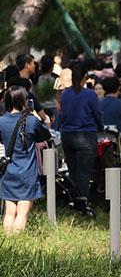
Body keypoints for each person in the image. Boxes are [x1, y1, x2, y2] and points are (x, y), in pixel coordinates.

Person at [0, 88, 51, 233]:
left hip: (8, 171)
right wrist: (34, 114)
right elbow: (45, 135)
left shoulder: (1, 121)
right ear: (24, 101)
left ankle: (8, 244)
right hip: (27, 172)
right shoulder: (32, 121)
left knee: (9, 212)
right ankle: (18, 242)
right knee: (22, 212)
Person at [57, 65, 103, 213]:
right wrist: (100, 128)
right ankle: (82, 202)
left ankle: (74, 200)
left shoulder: (65, 95)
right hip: (86, 136)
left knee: (73, 171)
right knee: (84, 172)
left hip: (68, 136)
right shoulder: (90, 94)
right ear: (84, 78)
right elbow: (97, 114)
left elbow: (62, 115)